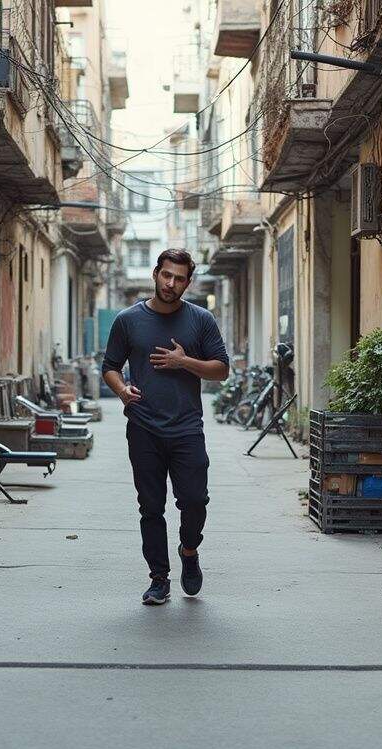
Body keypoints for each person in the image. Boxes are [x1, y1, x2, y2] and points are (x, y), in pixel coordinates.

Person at [101, 248, 230, 605]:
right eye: (166, 275)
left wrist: (184, 361)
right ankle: (159, 578)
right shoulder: (128, 320)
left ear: (188, 283)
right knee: (150, 507)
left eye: (179, 278)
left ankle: (190, 551)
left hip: (187, 427)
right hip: (143, 428)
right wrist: (123, 390)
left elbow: (221, 369)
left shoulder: (200, 320)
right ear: (155, 273)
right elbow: (110, 366)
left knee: (193, 500)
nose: (171, 284)